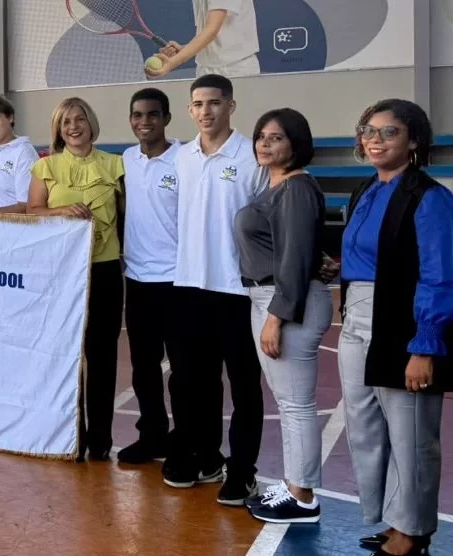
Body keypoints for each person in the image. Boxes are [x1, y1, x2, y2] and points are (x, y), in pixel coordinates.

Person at [339, 99, 451, 556]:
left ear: (414, 142)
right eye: (369, 130)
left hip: (400, 323)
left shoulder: (431, 197)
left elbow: (440, 274)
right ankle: (391, 518)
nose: (375, 139)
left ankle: (414, 531)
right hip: (356, 318)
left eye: (389, 132)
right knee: (365, 427)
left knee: (411, 434)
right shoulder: (365, 188)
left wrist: (424, 346)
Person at [164, 74, 263, 506]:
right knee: (191, 382)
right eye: (198, 104)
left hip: (236, 289)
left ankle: (243, 471)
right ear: (190, 110)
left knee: (243, 386)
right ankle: (204, 457)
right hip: (188, 285)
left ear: (231, 106)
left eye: (215, 103)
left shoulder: (252, 157)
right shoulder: (181, 158)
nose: (206, 111)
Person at [235, 108, 330, 524]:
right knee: (289, 401)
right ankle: (295, 484)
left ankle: (303, 497)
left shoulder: (295, 187)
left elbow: (292, 260)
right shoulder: (273, 186)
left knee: (295, 404)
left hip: (285, 300)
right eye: (261, 136)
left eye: (276, 137)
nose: (265, 144)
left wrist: (276, 316)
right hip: (271, 297)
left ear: (296, 143)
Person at [21, 98, 124, 462]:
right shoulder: (44, 168)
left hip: (106, 268)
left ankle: (100, 438)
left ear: (91, 122)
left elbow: (128, 219)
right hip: (62, 273)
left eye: (80, 119)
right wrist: (60, 210)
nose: (74, 127)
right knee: (65, 355)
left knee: (102, 355)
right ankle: (70, 435)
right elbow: (33, 213)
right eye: (66, 123)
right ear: (58, 130)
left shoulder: (116, 165)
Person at [117, 88, 186, 465]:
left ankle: (184, 438)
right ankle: (152, 435)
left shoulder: (185, 159)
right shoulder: (126, 160)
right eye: (138, 115)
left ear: (167, 118)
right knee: (143, 368)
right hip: (138, 279)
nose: (145, 121)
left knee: (182, 368)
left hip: (177, 279)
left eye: (153, 115)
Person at [146, 0, 260, 79]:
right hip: (205, 70)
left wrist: (172, 63)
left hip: (235, 70)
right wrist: (184, 49)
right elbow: (208, 33)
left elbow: (211, 31)